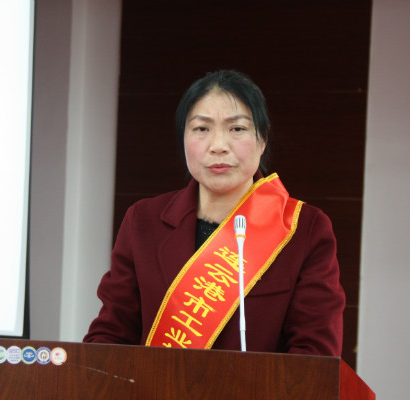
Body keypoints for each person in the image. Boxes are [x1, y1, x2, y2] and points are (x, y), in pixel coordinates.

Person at [84, 70, 345, 356]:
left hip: (260, 388)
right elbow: (111, 335)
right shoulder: (143, 222)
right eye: (201, 129)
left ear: (262, 139)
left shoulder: (303, 228)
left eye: (237, 129)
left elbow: (315, 354)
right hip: (156, 387)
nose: (218, 146)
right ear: (183, 138)